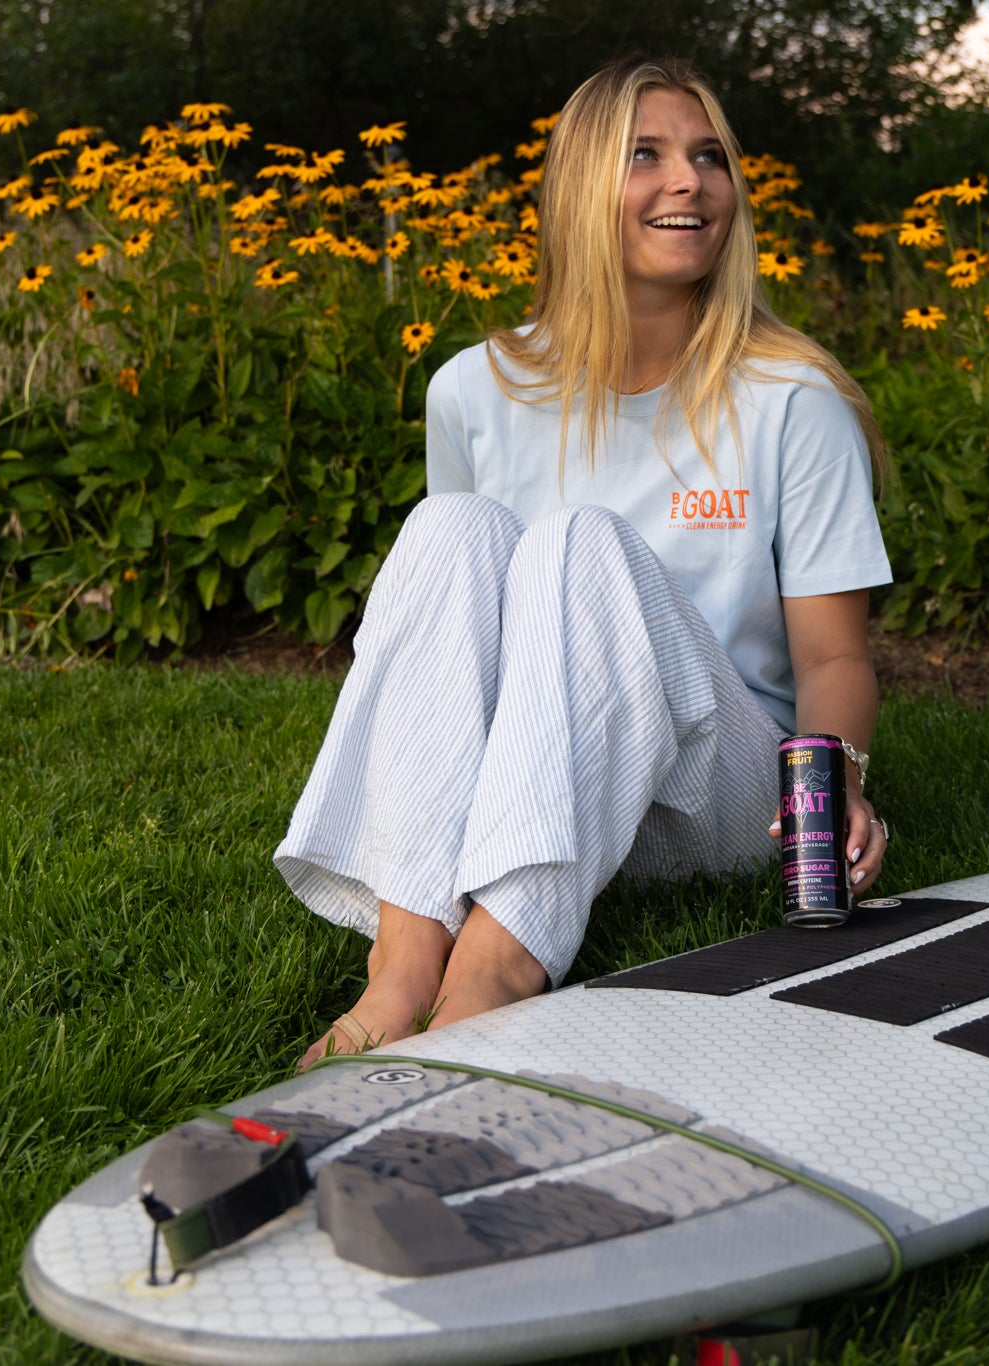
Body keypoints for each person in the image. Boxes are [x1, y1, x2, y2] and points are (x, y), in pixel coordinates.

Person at [275, 56, 893, 1072]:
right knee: (451, 529)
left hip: (715, 793)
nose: (688, 182)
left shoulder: (790, 400)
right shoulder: (472, 390)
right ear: (575, 192)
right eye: (644, 156)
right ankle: (403, 963)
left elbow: (831, 659)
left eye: (707, 158)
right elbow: (446, 636)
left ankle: (494, 975)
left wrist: (844, 783)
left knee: (578, 540)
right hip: (543, 787)